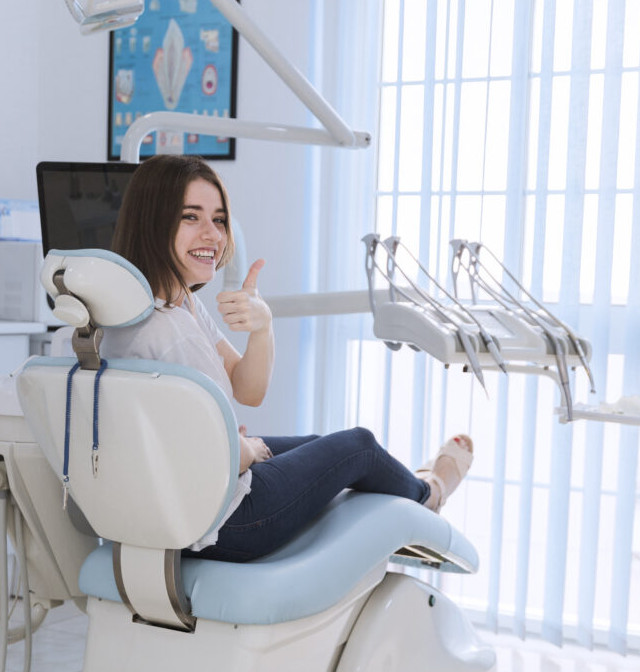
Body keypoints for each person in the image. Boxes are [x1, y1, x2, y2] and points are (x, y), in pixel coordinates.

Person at [103, 154, 473, 562]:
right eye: (191, 217)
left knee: (319, 446)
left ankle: (406, 496)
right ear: (153, 222)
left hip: (170, 505)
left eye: (220, 219)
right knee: (358, 447)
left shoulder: (157, 308)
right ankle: (430, 494)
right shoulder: (174, 335)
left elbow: (248, 388)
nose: (213, 234)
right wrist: (247, 450)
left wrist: (263, 325)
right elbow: (221, 457)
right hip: (228, 521)